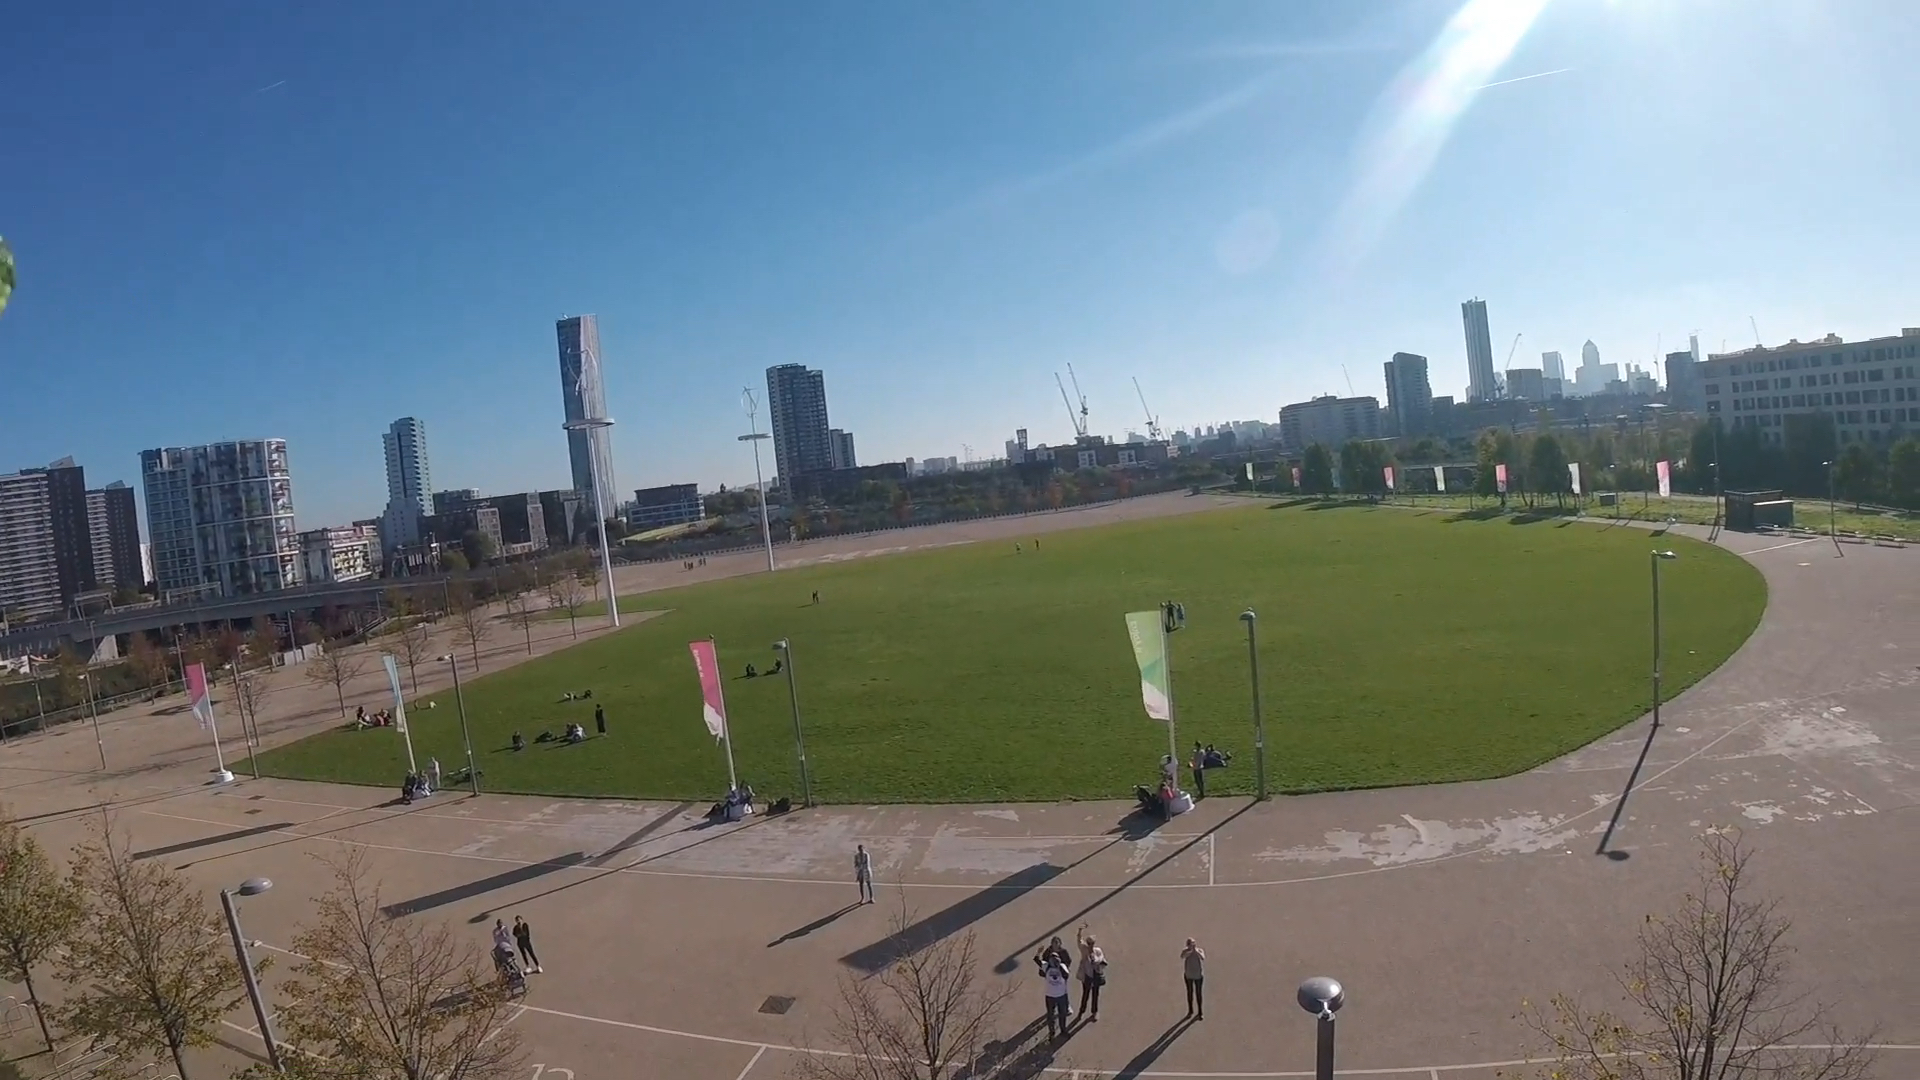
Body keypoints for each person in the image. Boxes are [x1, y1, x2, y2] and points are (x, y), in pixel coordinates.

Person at [1075, 924, 1106, 1023]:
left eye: (1091, 943)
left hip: (1096, 976)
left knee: (1095, 995)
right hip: (1087, 976)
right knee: (1085, 995)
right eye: (1089, 943)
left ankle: (1094, 1012)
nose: (1090, 945)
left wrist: (1095, 960)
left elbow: (1101, 959)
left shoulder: (1098, 951)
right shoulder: (1084, 949)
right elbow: (1079, 941)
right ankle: (1081, 1011)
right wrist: (1080, 932)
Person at [1040, 952, 1072, 1039]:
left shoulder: (1062, 966)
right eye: (1052, 959)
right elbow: (1037, 961)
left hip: (1061, 995)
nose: (1053, 961)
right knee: (1050, 1015)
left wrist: (1059, 966)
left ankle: (1063, 1030)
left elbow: (1066, 975)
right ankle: (1052, 1032)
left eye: (1055, 959)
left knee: (1062, 1014)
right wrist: (1038, 953)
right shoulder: (1046, 966)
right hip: (1050, 995)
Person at [1181, 938, 1205, 1020]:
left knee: (1198, 993)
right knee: (1190, 993)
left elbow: (1202, 957)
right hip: (1189, 975)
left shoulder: (1199, 950)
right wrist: (1190, 951)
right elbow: (1183, 956)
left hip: (1198, 975)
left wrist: (1196, 951)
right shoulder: (1185, 951)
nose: (1192, 945)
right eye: (1190, 944)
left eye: (1193, 943)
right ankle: (1190, 1010)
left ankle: (1200, 1012)